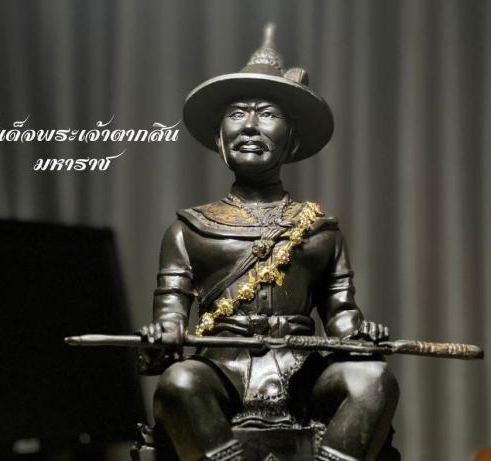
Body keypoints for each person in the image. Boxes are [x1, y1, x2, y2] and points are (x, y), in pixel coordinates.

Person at [139, 25, 399, 461]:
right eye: (238, 114)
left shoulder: (320, 231)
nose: (250, 126)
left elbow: (340, 313)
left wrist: (358, 332)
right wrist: (162, 334)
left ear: (291, 138)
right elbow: (170, 314)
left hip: (303, 370)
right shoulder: (188, 229)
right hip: (222, 368)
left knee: (374, 382)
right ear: (220, 138)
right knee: (179, 384)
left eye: (267, 114)